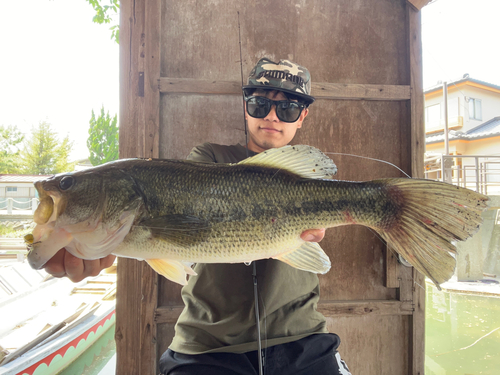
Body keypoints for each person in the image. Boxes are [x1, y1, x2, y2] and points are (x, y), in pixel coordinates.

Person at [43, 58, 351, 375]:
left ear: (302, 117)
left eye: (287, 109)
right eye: (259, 104)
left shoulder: (307, 177)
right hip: (207, 347)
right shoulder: (209, 158)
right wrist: (72, 241)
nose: (271, 116)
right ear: (246, 107)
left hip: (302, 340)